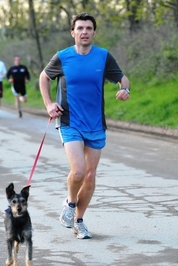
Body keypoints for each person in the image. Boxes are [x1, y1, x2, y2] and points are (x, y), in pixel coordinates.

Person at [39, 13, 131, 239]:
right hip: (69, 120)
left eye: (89, 28)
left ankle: (79, 221)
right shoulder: (63, 57)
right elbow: (44, 77)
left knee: (90, 176)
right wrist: (49, 104)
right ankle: (70, 204)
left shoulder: (103, 56)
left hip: (96, 123)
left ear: (94, 32)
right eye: (80, 28)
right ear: (73, 32)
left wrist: (125, 89)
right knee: (79, 170)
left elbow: (122, 78)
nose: (84, 32)